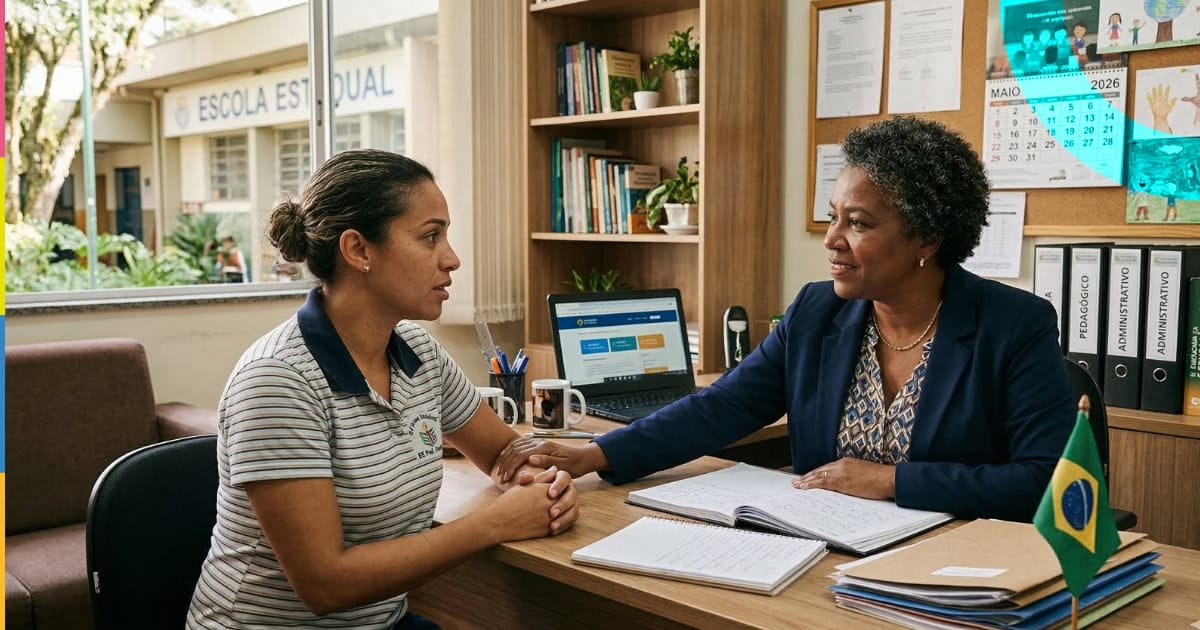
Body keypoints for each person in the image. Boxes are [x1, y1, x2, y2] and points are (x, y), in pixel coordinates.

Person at [498, 117, 1075, 523]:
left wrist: (892, 481)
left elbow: (1043, 479)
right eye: (832, 217)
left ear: (927, 237)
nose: (832, 240)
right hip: (822, 549)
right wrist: (597, 456)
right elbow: (722, 406)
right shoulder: (816, 311)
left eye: (859, 223)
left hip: (955, 570)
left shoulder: (1013, 325)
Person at [187, 149, 578, 630]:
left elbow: (505, 453)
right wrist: (498, 522)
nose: (452, 259)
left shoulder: (418, 351)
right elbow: (325, 585)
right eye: (430, 236)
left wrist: (542, 486)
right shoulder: (277, 381)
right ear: (358, 251)